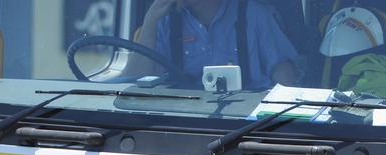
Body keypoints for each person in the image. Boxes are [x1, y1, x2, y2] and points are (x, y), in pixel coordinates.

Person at [125, 0, 298, 89]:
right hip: (182, 123)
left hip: (247, 126)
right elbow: (131, 84)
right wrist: (150, 21)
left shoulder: (254, 14)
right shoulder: (164, 23)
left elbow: (285, 77)